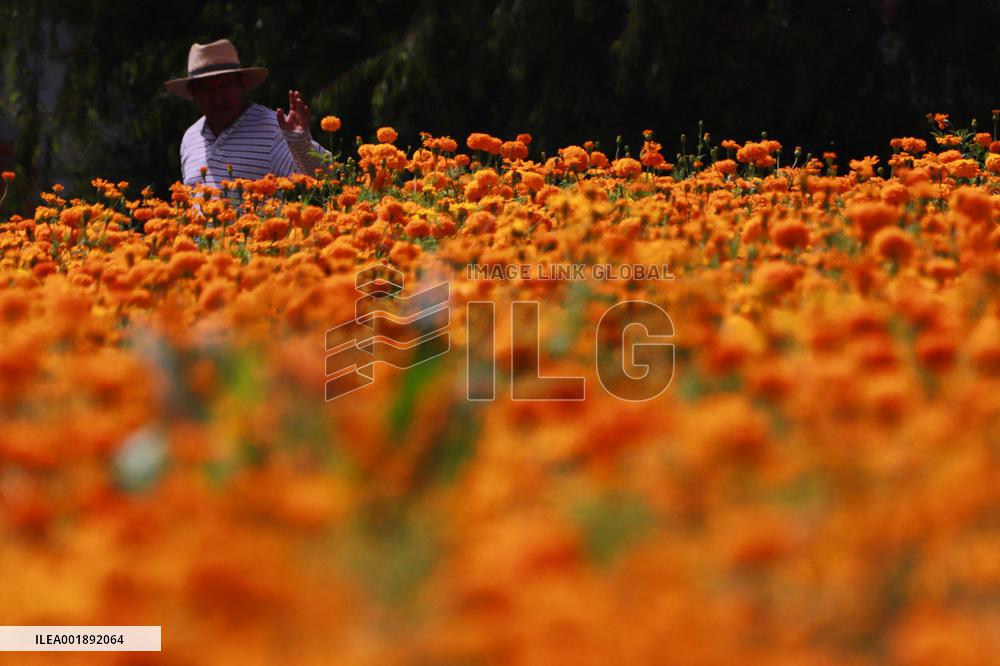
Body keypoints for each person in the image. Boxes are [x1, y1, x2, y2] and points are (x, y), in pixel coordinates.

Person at [164, 39, 330, 188]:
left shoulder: (272, 131)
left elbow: (327, 179)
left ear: (242, 84)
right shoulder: (190, 139)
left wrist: (300, 142)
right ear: (193, 94)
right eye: (206, 90)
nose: (217, 97)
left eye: (225, 86)